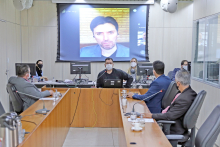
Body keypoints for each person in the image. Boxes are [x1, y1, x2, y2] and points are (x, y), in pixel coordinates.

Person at [143, 69, 197, 135]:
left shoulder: (184, 99)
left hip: (174, 129)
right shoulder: (190, 93)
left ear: (178, 83)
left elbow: (170, 116)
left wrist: (152, 115)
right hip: (173, 123)